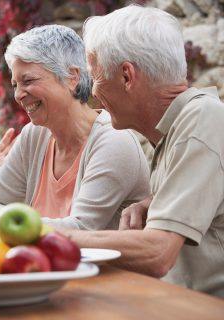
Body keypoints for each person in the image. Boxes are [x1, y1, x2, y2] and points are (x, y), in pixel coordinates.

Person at [56, 5, 224, 297]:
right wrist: (155, 201)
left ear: (126, 76)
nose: (92, 94)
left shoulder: (202, 120)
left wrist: (55, 238)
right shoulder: (174, 130)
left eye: (95, 76)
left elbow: (158, 253)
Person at [0, 25, 150, 230]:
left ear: (72, 77)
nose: (18, 95)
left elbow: (81, 229)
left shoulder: (114, 142)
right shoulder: (34, 135)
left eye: (28, 81)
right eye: (15, 84)